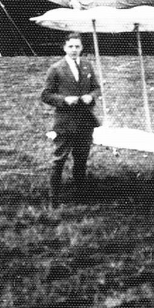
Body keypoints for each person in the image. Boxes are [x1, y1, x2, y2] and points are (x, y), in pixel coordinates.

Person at [41, 32, 101, 204]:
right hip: (65, 121)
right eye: (71, 46)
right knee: (59, 159)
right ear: (64, 47)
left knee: (81, 158)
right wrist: (64, 100)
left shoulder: (87, 66)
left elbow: (96, 88)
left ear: (82, 48)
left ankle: (81, 194)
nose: (74, 50)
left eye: (77, 46)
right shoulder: (56, 69)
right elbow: (46, 95)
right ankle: (54, 199)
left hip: (85, 120)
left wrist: (92, 95)